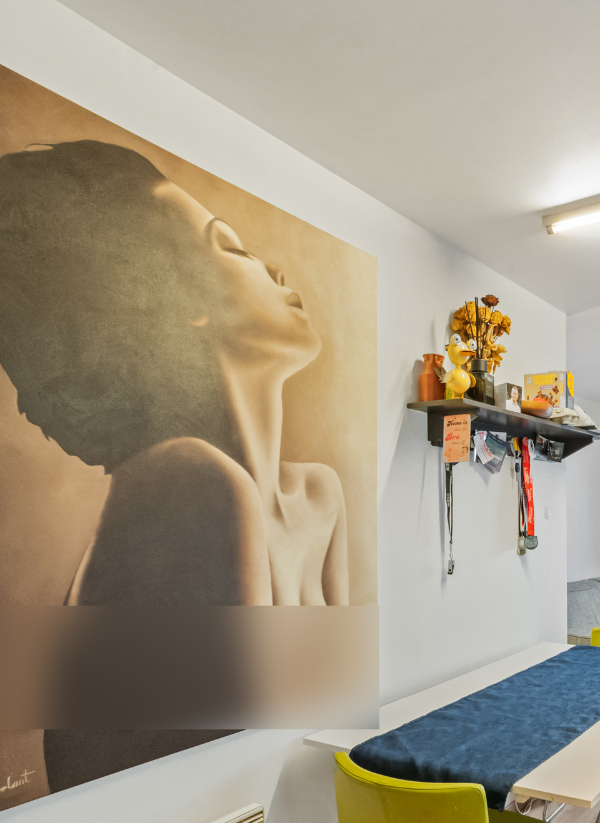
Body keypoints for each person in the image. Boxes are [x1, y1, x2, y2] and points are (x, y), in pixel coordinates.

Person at [0, 140, 347, 606]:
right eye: (234, 249)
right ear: (176, 302)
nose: (277, 270)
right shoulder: (190, 477)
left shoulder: (319, 494)